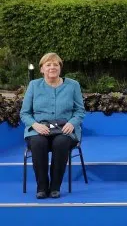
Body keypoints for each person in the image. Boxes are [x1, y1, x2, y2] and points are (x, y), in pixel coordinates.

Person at [20, 53, 85, 199]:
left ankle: (55, 187)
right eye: (48, 65)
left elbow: (80, 111)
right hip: (39, 129)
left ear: (60, 68)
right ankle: (42, 187)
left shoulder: (73, 85)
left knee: (61, 142)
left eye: (56, 64)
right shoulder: (34, 85)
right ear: (42, 69)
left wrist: (72, 123)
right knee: (37, 142)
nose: (52, 67)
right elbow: (25, 113)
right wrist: (35, 125)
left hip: (65, 129)